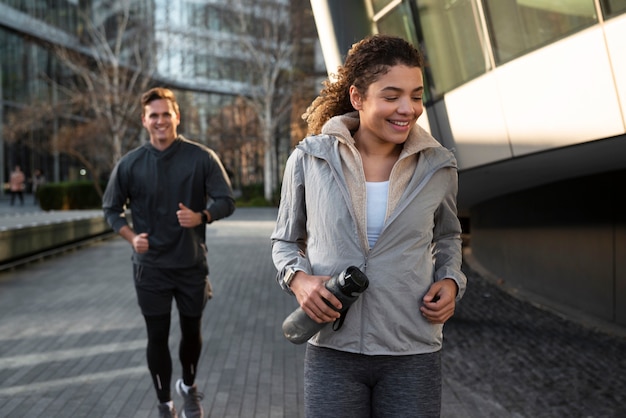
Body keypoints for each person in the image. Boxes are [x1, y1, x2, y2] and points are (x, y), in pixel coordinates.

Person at [271, 34, 467, 417]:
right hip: (333, 350)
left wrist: (451, 280)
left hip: (412, 350)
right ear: (357, 97)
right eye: (391, 96)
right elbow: (284, 240)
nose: (407, 109)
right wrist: (299, 279)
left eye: (415, 95)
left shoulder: (439, 165)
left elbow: (448, 236)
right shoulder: (310, 158)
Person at [103, 87, 235, 418]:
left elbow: (226, 200)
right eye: (153, 115)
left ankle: (188, 387)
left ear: (177, 117)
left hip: (190, 265)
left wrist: (201, 216)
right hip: (150, 269)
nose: (160, 121)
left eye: (166, 114)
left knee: (192, 334)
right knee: (157, 336)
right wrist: (132, 237)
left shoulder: (201, 157)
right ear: (144, 121)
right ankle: (165, 404)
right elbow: (111, 209)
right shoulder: (130, 164)